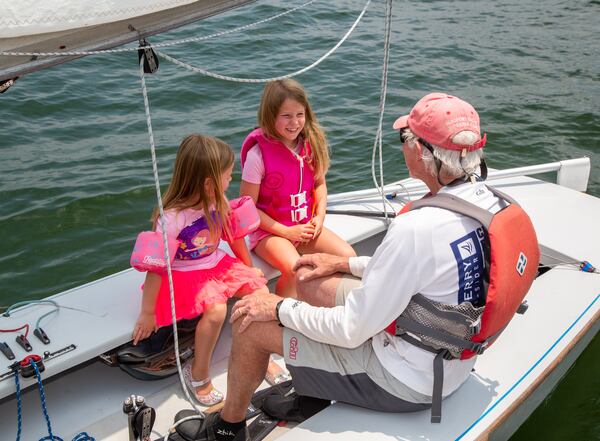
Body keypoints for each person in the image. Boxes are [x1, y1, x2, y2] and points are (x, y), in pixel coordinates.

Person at [178, 93, 538, 439]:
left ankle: (227, 429)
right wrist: (344, 262)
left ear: (421, 151)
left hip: (405, 380)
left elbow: (351, 329)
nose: (402, 145)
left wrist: (279, 307)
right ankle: (313, 388)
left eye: (405, 136)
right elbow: (414, 270)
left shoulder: (417, 227)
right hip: (446, 357)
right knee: (308, 276)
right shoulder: (486, 202)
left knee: (250, 326)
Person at [131, 134, 270, 406]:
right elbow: (157, 269)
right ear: (208, 183)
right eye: (228, 176)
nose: (231, 180)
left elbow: (234, 235)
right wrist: (147, 313)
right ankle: (199, 371)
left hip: (215, 264)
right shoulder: (171, 219)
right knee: (217, 309)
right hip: (183, 274)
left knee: (260, 290)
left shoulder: (217, 201)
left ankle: (255, 350)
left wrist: (249, 269)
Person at [240, 79, 356, 298]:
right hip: (269, 233)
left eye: (299, 114)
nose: (294, 123)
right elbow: (248, 208)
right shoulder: (258, 156)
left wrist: (319, 217)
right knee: (295, 271)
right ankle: (279, 312)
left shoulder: (312, 143)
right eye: (286, 116)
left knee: (347, 256)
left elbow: (320, 184)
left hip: (304, 227)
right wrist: (286, 232)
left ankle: (323, 300)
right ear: (270, 115)